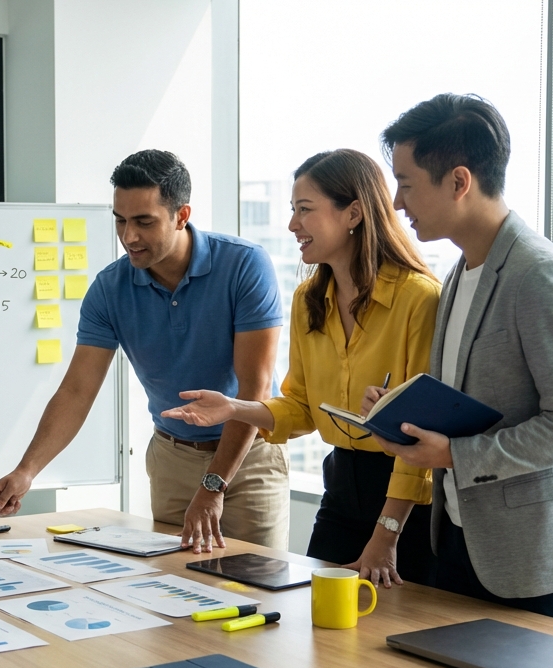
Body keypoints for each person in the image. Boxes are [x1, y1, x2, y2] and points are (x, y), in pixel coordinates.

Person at [365, 93, 553, 623]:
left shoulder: (539, 274)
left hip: (531, 559)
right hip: (460, 537)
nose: (398, 204)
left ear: (458, 181)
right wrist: (402, 408)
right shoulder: (460, 270)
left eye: (405, 184)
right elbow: (473, 395)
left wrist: (457, 456)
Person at [0, 150, 288, 554]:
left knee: (256, 585)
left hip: (249, 456)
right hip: (172, 458)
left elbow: (256, 388)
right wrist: (26, 470)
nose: (129, 236)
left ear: (182, 215)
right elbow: (77, 391)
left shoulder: (245, 266)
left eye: (144, 222)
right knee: (176, 590)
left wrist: (214, 484)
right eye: (120, 220)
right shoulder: (109, 290)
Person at [162, 149, 440, 588]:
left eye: (305, 210)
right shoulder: (309, 299)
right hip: (342, 489)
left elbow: (420, 433)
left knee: (396, 638)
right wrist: (234, 408)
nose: (293, 225)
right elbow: (303, 409)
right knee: (318, 626)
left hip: (406, 501)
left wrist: (386, 533)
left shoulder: (418, 299)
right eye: (293, 211)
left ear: (353, 213)